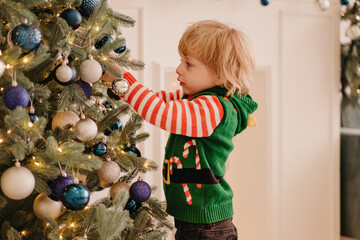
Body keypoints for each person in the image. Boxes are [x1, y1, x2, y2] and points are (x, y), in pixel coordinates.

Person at [101, 19, 258, 240]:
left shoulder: (212, 108)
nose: (179, 69)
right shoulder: (196, 98)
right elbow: (156, 100)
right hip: (196, 221)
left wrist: (124, 82)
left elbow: (161, 112)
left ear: (220, 74)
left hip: (207, 226)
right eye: (180, 61)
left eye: (189, 64)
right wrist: (120, 81)